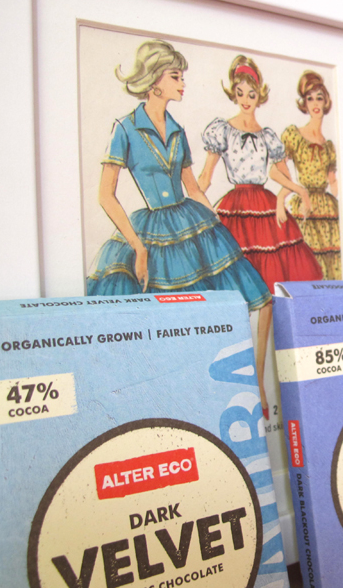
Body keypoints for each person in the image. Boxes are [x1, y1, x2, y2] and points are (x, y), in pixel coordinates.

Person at [86, 40, 273, 413]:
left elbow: (193, 187)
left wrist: (219, 226)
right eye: (176, 76)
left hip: (191, 222)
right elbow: (106, 196)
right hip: (149, 233)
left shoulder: (176, 128)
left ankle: (254, 389)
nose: (183, 83)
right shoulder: (125, 128)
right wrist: (137, 246)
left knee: (261, 300)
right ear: (155, 81)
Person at [198, 55, 323, 417]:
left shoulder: (268, 135)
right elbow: (205, 177)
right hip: (236, 211)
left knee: (267, 298)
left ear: (260, 94)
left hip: (265, 212)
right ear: (233, 93)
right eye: (240, 93)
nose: (246, 99)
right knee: (233, 297)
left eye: (251, 93)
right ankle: (227, 382)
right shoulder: (223, 130)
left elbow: (280, 175)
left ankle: (260, 384)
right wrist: (194, 204)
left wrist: (292, 192)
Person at [280, 71, 342, 280]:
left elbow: (333, 182)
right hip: (304, 208)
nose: (315, 103)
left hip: (327, 209)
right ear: (304, 104)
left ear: (326, 102)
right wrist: (283, 197)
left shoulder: (330, 146)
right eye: (310, 98)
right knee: (308, 266)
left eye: (319, 98)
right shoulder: (295, 135)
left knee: (331, 268)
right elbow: (276, 170)